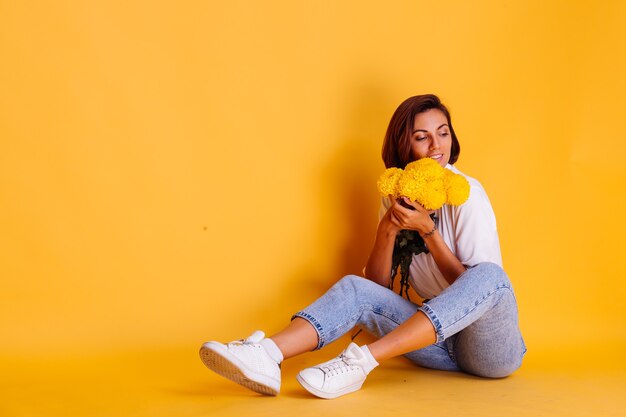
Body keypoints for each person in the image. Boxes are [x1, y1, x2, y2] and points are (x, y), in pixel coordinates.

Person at [199, 94, 527, 399]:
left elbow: (478, 294)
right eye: (421, 137)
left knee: (489, 275)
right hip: (436, 345)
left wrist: (429, 232)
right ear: (405, 146)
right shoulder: (396, 197)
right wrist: (387, 228)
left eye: (442, 133)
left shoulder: (466, 194)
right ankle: (267, 354)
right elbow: (376, 292)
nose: (435, 146)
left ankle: (359, 363)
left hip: (488, 349)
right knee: (355, 286)